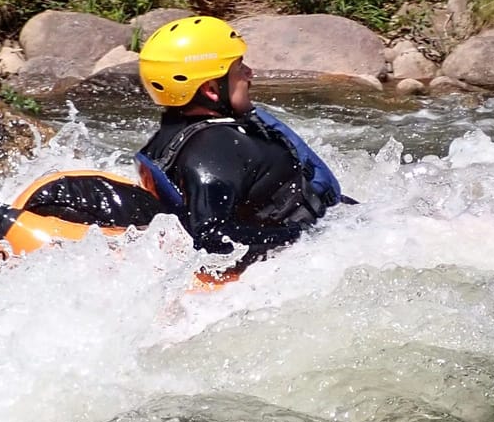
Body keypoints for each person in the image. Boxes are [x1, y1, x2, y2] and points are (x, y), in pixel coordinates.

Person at [133, 15, 352, 279]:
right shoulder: (218, 149)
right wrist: (303, 234)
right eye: (239, 68)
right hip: (308, 254)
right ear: (211, 89)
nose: (250, 73)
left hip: (332, 227)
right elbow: (213, 237)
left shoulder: (168, 136)